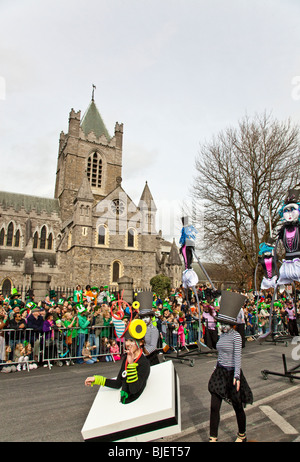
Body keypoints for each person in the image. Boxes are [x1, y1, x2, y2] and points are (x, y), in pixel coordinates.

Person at [208, 291, 253, 443]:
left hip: (232, 372)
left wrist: (237, 376)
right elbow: (220, 354)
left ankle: (242, 434)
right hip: (220, 371)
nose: (224, 326)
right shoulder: (222, 336)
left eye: (226, 324)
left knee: (237, 406)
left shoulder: (236, 336)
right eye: (222, 323)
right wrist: (215, 367)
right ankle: (213, 437)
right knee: (214, 406)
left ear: (232, 324)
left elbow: (237, 356)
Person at [85, 318, 150, 404]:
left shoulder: (144, 363)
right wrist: (96, 379)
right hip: (124, 403)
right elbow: (118, 383)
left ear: (140, 343)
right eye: (126, 340)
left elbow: (134, 390)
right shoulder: (126, 359)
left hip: (135, 405)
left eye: (131, 341)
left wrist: (131, 365)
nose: (127, 344)